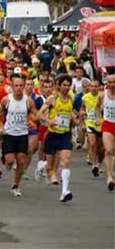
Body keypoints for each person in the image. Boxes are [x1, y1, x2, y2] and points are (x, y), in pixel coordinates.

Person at [39, 74, 79, 202]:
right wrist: (49, 121)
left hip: (65, 135)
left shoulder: (71, 100)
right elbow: (39, 114)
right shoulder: (53, 98)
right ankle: (41, 166)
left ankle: (65, 191)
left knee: (65, 161)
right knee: (50, 166)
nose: (66, 88)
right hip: (52, 135)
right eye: (64, 85)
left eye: (68, 85)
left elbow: (72, 116)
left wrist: (79, 119)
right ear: (59, 86)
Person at [0, 75, 38, 197]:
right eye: (16, 86)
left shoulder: (28, 101)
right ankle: (6, 161)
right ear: (12, 87)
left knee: (21, 161)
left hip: (22, 134)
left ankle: (16, 185)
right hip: (9, 134)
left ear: (24, 87)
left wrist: (42, 120)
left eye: (21, 85)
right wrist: (0, 126)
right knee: (9, 161)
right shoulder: (6, 100)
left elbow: (35, 114)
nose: (19, 88)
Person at [95, 74, 115, 191]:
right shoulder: (102, 96)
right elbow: (97, 107)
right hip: (107, 124)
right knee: (108, 150)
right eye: (110, 83)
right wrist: (98, 118)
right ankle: (109, 177)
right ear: (106, 84)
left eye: (114, 82)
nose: (112, 85)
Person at [82, 79, 103, 177]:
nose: (94, 88)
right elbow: (81, 109)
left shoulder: (102, 97)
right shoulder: (85, 97)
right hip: (90, 123)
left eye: (96, 86)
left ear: (99, 87)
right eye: (92, 86)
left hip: (102, 124)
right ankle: (94, 165)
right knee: (93, 143)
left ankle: (98, 164)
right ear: (89, 87)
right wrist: (82, 117)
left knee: (101, 149)